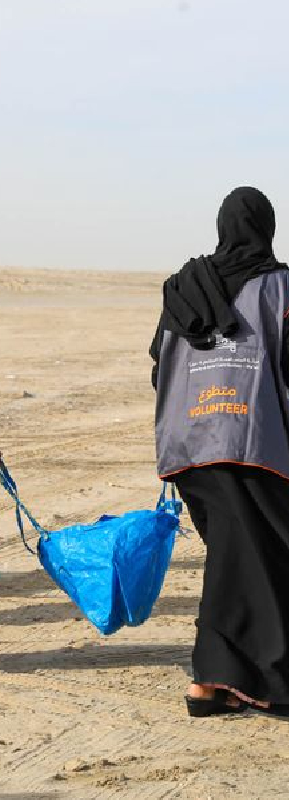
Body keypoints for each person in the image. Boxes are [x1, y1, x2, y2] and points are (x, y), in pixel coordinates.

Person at [152, 186, 289, 717]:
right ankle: (263, 682)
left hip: (190, 445)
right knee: (265, 558)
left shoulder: (184, 287)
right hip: (253, 444)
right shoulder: (278, 287)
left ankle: (209, 686)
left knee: (234, 559)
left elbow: (157, 362)